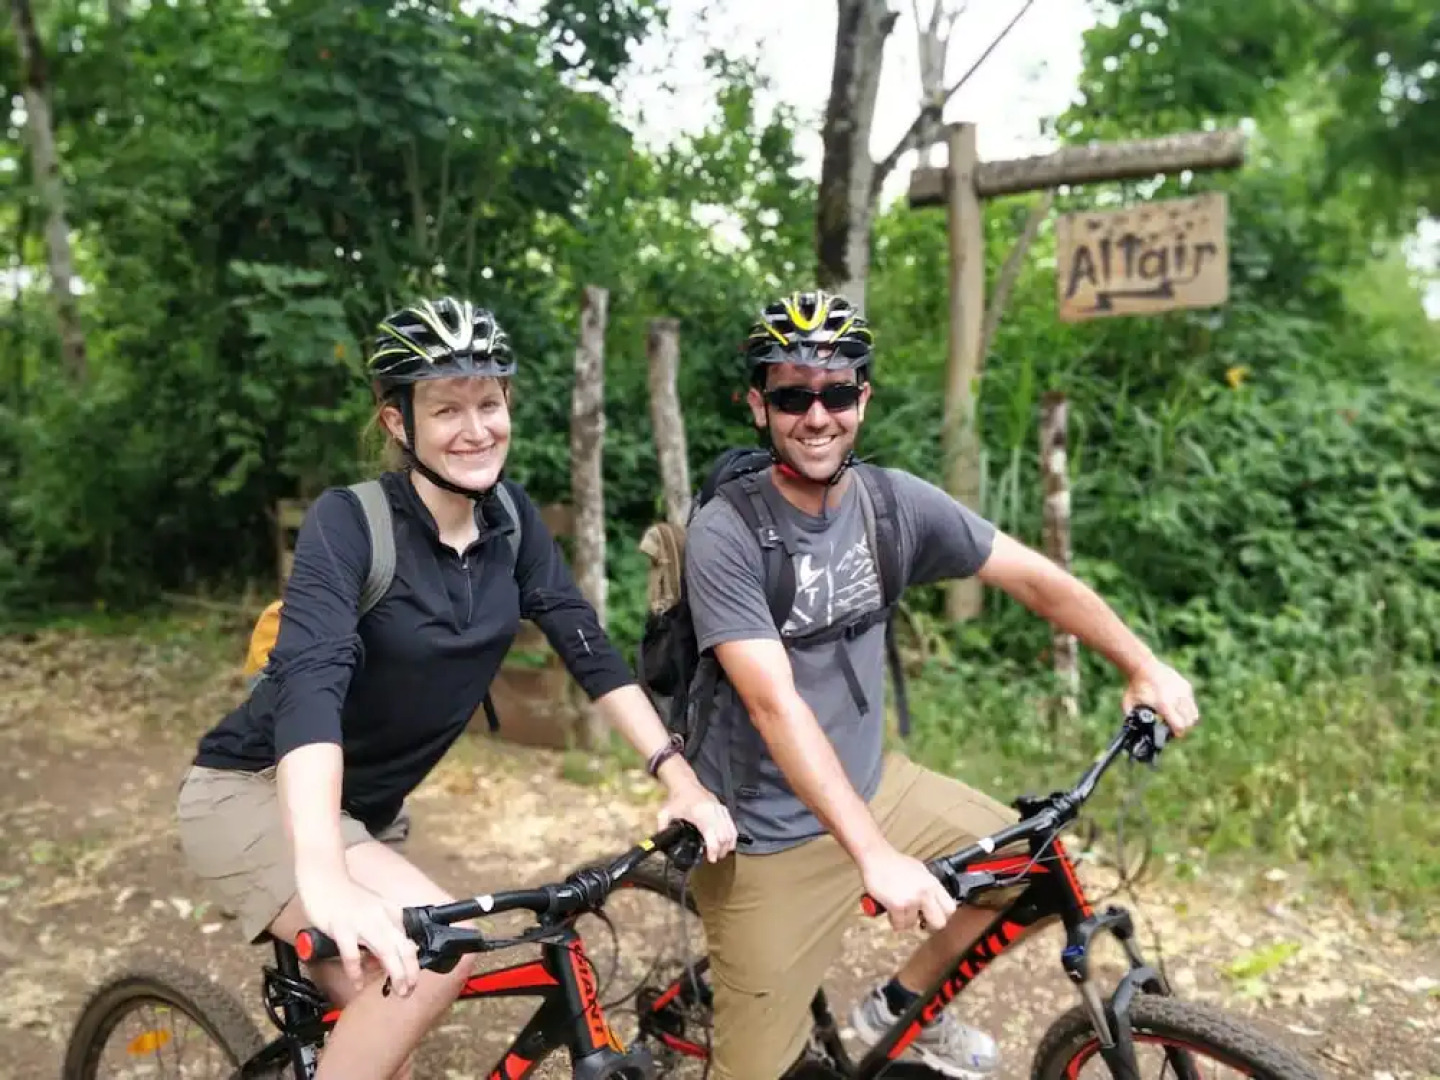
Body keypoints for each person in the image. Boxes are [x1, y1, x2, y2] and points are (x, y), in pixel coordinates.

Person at [176, 297, 737, 1080]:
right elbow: (309, 689)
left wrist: (680, 780)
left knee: (387, 1008)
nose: (476, 428)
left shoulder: (509, 521)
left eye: (490, 402)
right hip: (257, 791)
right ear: (399, 422)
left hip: (360, 816)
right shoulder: (351, 524)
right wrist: (323, 873)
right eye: (447, 408)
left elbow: (588, 650)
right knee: (442, 963)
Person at [681, 290, 1199, 1079]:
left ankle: (901, 1009)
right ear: (758, 406)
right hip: (766, 837)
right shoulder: (727, 532)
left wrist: (1140, 663)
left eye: (837, 391)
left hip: (873, 784)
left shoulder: (891, 504)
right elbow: (771, 703)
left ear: (863, 398)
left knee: (1035, 869)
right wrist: (876, 856)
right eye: (791, 394)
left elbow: (1032, 576)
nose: (815, 415)